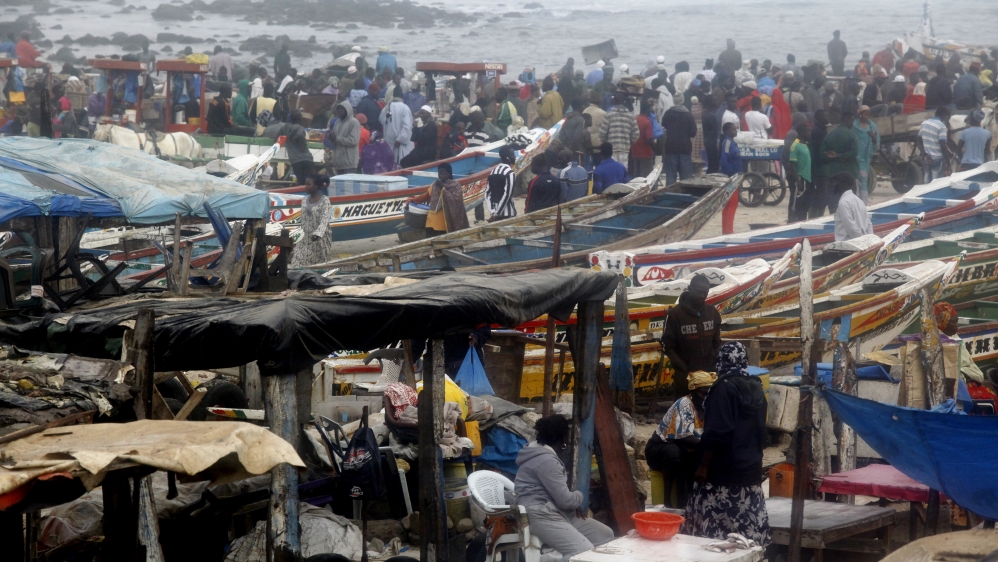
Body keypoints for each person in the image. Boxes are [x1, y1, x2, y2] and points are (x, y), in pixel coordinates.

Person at [681, 342, 770, 546]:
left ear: (721, 362)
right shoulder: (757, 387)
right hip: (750, 472)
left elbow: (717, 434)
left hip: (723, 474)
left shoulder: (722, 388)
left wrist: (703, 465)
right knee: (745, 535)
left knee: (715, 537)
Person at [515, 415, 615, 562]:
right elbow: (566, 501)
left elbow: (563, 499)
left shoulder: (539, 453)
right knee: (582, 552)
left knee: (604, 535)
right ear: (565, 437)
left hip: (556, 511)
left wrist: (571, 503)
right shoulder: (547, 461)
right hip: (540, 515)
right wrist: (579, 496)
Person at [644, 371, 716, 510]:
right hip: (659, 449)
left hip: (684, 446)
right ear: (693, 391)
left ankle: (689, 503)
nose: (706, 397)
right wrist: (707, 447)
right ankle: (668, 503)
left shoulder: (708, 407)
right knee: (675, 454)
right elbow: (684, 436)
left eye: (709, 393)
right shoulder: (684, 403)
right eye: (703, 393)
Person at [660, 273, 721, 394]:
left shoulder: (712, 313)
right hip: (685, 376)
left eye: (705, 293)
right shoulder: (674, 315)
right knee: (685, 408)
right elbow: (667, 346)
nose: (701, 296)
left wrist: (716, 360)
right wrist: (684, 368)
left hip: (709, 373)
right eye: (698, 292)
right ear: (689, 288)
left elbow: (716, 341)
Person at [408, 162, 468, 235]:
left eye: (443, 173)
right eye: (439, 173)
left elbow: (457, 200)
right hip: (431, 222)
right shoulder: (434, 184)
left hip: (446, 223)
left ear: (449, 174)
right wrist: (414, 200)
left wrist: (442, 188)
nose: (441, 175)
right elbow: (426, 195)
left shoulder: (456, 185)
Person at [289, 175, 335, 268]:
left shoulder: (325, 200)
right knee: (296, 263)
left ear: (317, 186)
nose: (305, 186)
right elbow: (302, 219)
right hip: (304, 238)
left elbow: (325, 219)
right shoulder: (304, 200)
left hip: (319, 240)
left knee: (319, 266)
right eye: (305, 184)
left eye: (308, 184)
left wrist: (318, 234)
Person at [934, 302, 985, 384]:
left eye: (957, 322)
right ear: (942, 323)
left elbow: (969, 363)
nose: (956, 326)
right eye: (953, 322)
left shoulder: (954, 337)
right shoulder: (938, 342)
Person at [661, 92, 697, 185]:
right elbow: (693, 133)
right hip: (685, 148)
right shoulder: (688, 115)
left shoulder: (668, 113)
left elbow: (663, 124)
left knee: (670, 177)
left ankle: (670, 196)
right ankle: (684, 196)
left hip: (670, 147)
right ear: (683, 100)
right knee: (686, 179)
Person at [821, 111, 860, 187]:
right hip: (850, 173)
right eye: (852, 121)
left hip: (833, 172)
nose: (853, 124)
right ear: (847, 121)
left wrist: (833, 157)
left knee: (835, 197)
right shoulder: (852, 135)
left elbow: (822, 155)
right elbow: (855, 152)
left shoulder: (829, 135)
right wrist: (840, 156)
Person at [599, 93, 639, 167]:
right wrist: (629, 142)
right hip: (625, 149)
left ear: (613, 101)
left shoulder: (609, 115)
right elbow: (636, 133)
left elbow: (602, 133)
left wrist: (606, 142)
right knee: (623, 171)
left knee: (612, 170)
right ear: (624, 101)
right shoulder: (630, 116)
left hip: (612, 149)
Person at [832, 171, 873, 241]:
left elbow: (851, 227)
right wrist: (869, 239)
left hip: (847, 245)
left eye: (835, 183)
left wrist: (861, 240)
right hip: (863, 242)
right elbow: (868, 223)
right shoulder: (859, 200)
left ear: (841, 185)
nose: (833, 186)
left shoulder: (843, 203)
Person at [380, 86, 414, 166]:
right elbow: (407, 126)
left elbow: (381, 121)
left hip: (390, 142)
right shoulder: (405, 108)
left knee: (390, 165)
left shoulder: (386, 107)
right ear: (402, 95)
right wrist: (400, 140)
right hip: (400, 143)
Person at [917, 106, 952, 182]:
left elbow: (919, 141)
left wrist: (925, 154)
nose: (947, 120)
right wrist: (948, 163)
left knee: (927, 181)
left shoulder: (924, 123)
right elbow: (943, 145)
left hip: (927, 158)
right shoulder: (941, 126)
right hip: (938, 159)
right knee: (936, 183)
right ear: (945, 115)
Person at [787, 123, 814, 222]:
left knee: (804, 203)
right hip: (800, 178)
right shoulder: (795, 145)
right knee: (796, 202)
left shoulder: (805, 145)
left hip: (807, 179)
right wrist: (797, 179)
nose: (809, 133)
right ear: (801, 132)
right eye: (808, 131)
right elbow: (792, 164)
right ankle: (791, 220)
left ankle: (802, 220)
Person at [325, 101, 360, 175]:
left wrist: (336, 138)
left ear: (348, 110)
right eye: (338, 109)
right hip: (339, 163)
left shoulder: (354, 122)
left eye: (342, 109)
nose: (340, 111)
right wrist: (331, 138)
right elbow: (335, 140)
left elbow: (353, 140)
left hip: (349, 162)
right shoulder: (337, 123)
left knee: (349, 185)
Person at [719, 122, 741, 234]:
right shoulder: (727, 143)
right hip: (731, 178)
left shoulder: (732, 142)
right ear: (727, 131)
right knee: (731, 204)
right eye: (733, 129)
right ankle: (728, 230)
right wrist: (732, 175)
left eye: (735, 129)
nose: (735, 131)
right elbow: (724, 161)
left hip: (733, 177)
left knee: (729, 204)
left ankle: (727, 230)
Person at [853, 106, 880, 202]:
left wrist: (873, 137)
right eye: (865, 114)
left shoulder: (872, 127)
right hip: (853, 157)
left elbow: (876, 143)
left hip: (865, 158)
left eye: (869, 114)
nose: (867, 116)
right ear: (860, 114)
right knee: (855, 180)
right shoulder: (854, 126)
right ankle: (855, 201)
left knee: (864, 179)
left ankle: (863, 202)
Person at [809, 110, 831, 216]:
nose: (827, 118)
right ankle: (816, 216)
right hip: (820, 167)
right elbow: (820, 151)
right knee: (821, 194)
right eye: (824, 116)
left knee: (823, 194)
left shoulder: (822, 130)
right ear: (817, 118)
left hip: (821, 166)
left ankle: (817, 215)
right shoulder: (818, 132)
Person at [487, 146, 517, 221]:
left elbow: (487, 193)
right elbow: (507, 194)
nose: (515, 157)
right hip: (507, 213)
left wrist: (493, 211)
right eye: (513, 155)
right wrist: (498, 213)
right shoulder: (510, 173)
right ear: (507, 157)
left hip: (494, 212)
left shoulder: (493, 171)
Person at [630, 98, 656, 178]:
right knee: (646, 177)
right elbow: (648, 139)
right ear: (647, 110)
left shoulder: (635, 119)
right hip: (645, 153)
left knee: (636, 176)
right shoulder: (647, 122)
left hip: (635, 152)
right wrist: (654, 146)